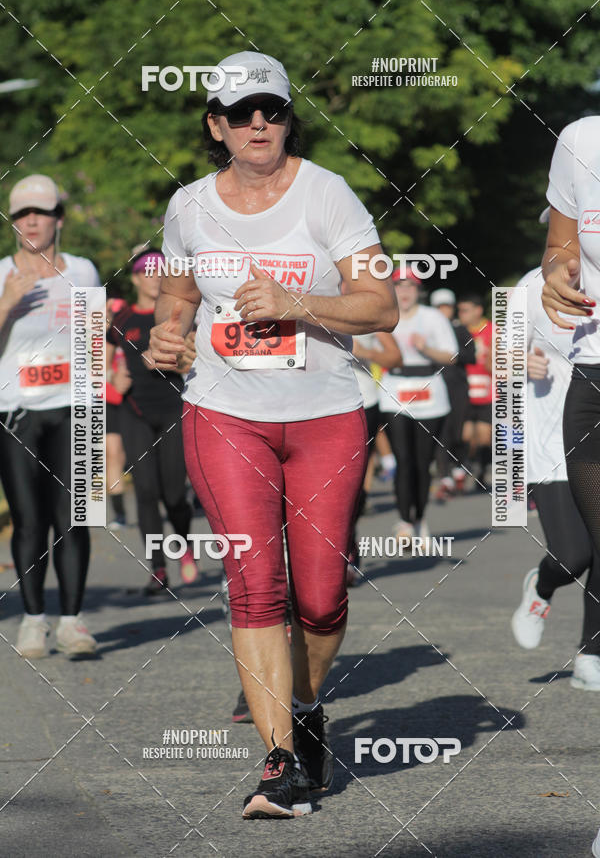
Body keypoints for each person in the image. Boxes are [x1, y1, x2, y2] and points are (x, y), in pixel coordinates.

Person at [148, 50, 398, 818]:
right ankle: (279, 760)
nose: (262, 122)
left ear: (289, 119)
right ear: (217, 125)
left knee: (320, 596)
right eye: (245, 111)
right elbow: (177, 296)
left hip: (325, 413)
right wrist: (165, 336)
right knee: (256, 586)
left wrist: (296, 303)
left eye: (276, 110)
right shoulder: (189, 206)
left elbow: (381, 305)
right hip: (225, 414)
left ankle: (307, 702)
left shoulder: (327, 196)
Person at [0, 174, 98, 658]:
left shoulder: (82, 270)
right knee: (29, 521)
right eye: (21, 214)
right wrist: (6, 306)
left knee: (76, 520)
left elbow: (94, 344)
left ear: (58, 218)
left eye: (39, 212)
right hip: (17, 413)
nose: (31, 221)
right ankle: (33, 621)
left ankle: (73, 623)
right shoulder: (0, 274)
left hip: (76, 410)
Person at [511, 266, 600, 689]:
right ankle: (542, 585)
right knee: (573, 555)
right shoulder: (531, 286)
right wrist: (517, 360)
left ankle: (591, 655)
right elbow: (490, 356)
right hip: (550, 444)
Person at [541, 114, 600, 688]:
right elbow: (558, 247)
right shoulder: (581, 139)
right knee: (589, 541)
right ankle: (592, 647)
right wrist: (558, 272)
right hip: (593, 369)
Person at [106, 248, 197, 595]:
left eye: (161, 269)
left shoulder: (179, 313)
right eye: (146, 269)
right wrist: (113, 385)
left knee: (174, 494)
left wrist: (165, 361)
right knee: (145, 492)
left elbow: (193, 362)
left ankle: (185, 545)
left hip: (173, 410)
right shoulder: (121, 318)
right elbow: (98, 362)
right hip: (135, 414)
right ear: (134, 277)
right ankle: (158, 568)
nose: (154, 275)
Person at [379, 267, 458, 540]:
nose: (405, 291)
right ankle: (403, 521)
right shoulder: (383, 316)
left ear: (419, 291)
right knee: (403, 459)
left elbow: (451, 356)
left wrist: (426, 349)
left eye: (410, 286)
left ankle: (420, 519)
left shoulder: (433, 317)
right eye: (399, 285)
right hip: (394, 389)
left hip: (428, 389)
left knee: (422, 461)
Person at [347, 332, 403, 584]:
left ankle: (348, 547)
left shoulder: (364, 301)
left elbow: (395, 357)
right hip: (313, 403)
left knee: (354, 479)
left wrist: (366, 353)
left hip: (363, 401)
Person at [430, 288, 475, 500]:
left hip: (458, 387)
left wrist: (451, 356)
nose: (443, 311)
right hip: (436, 387)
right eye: (439, 307)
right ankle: (445, 478)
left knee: (458, 432)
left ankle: (459, 467)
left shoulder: (461, 330)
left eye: (446, 306)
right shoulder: (428, 329)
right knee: (441, 433)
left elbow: (471, 356)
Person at [457, 293, 493, 490]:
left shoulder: (493, 330)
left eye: (465, 310)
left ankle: (481, 471)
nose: (461, 314)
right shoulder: (458, 332)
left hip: (487, 391)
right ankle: (467, 465)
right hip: (465, 391)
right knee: (466, 436)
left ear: (478, 310)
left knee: (484, 435)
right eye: (460, 310)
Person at [105, 296, 129, 529]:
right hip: (109, 402)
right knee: (113, 454)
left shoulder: (133, 333)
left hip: (134, 401)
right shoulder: (97, 339)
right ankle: (119, 514)